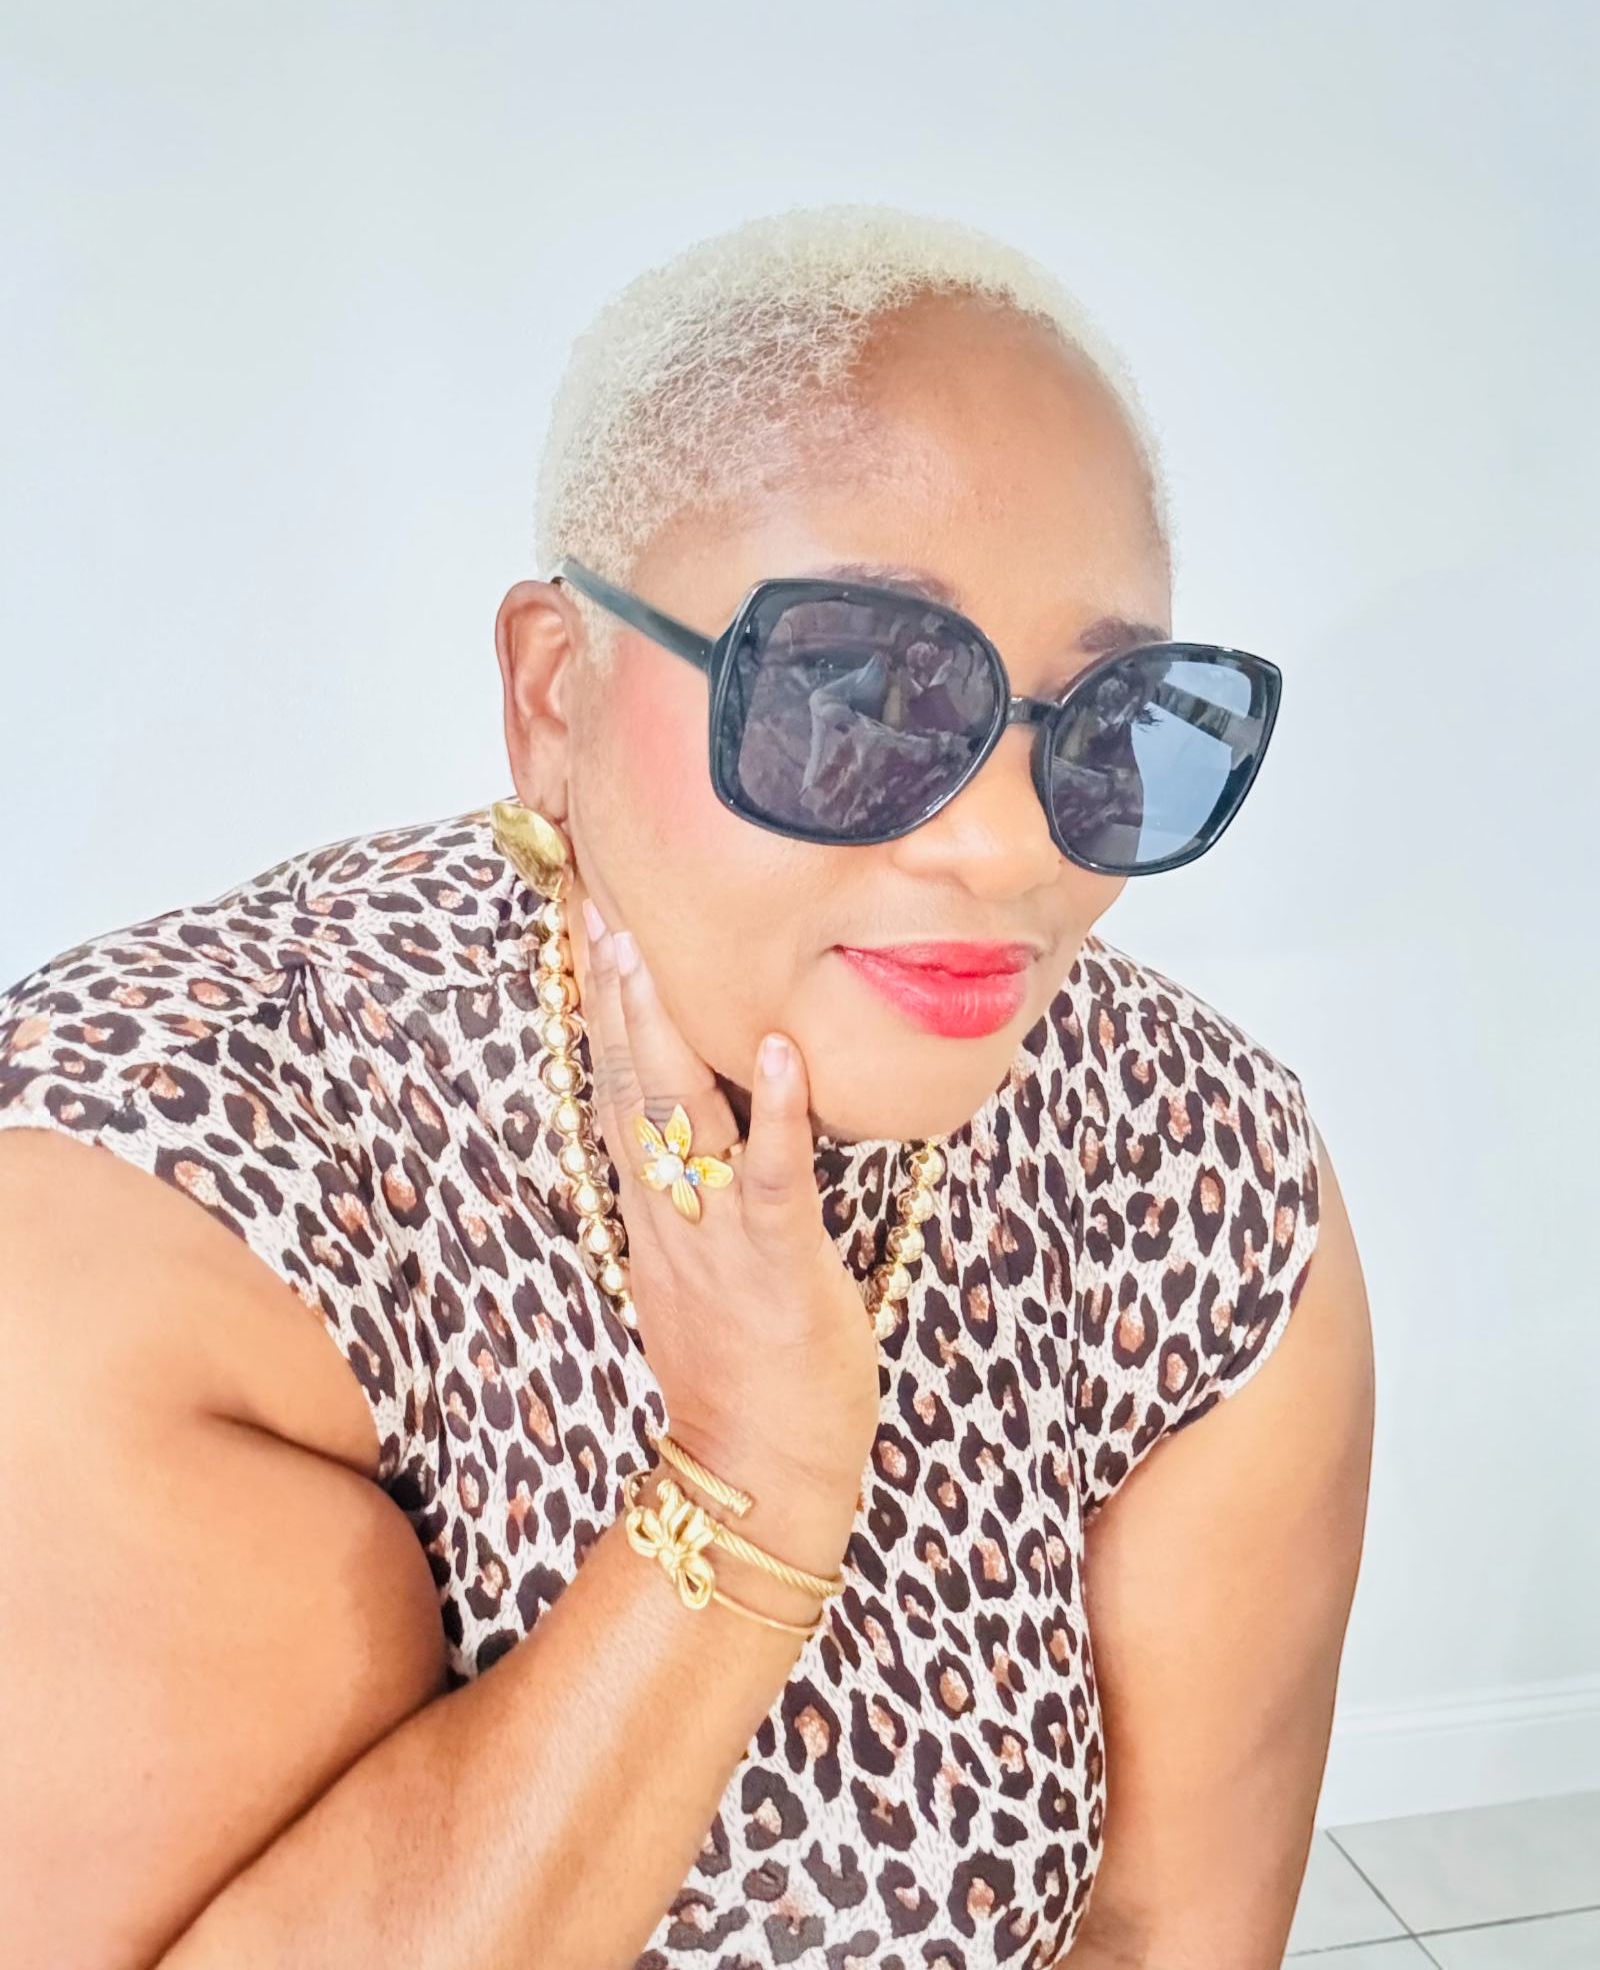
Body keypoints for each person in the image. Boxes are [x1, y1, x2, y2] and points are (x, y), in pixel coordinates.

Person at [0, 208, 1373, 1970]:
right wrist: (749, 1491)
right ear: (555, 692)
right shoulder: (160, 1193)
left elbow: (1172, 1934)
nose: (1009, 845)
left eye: (1111, 719)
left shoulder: (1194, 1169)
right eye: (856, 688)